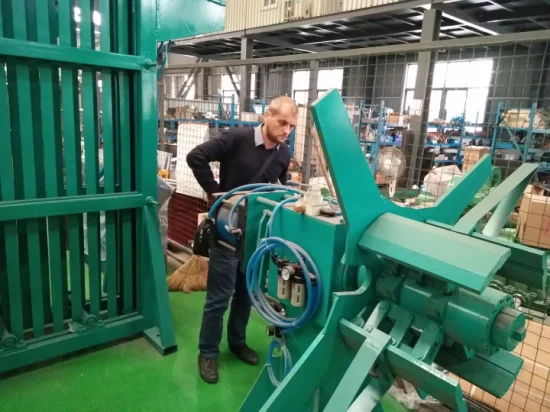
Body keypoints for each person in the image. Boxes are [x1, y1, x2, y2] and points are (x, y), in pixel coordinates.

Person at [186, 95, 297, 384]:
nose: (286, 130)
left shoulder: (283, 153)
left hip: (255, 234)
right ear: (267, 116)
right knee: (218, 297)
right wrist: (217, 193)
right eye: (282, 122)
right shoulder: (236, 139)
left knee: (246, 293)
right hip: (226, 230)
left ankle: (236, 343)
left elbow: (279, 186)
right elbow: (195, 156)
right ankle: (208, 352)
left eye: (291, 126)